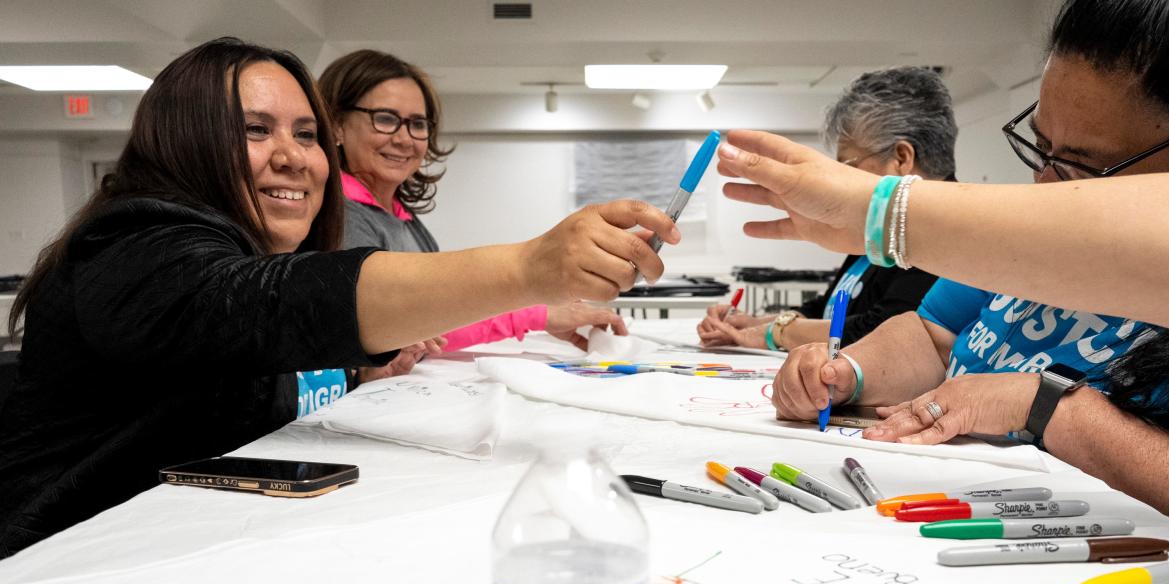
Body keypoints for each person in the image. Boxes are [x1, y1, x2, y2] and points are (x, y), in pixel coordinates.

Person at [0, 38, 676, 555]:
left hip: (169, 542)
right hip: (59, 566)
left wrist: (356, 368)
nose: (296, 157)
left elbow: (233, 367)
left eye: (305, 134)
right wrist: (531, 267)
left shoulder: (231, 247)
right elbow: (261, 305)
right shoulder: (132, 239)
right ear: (187, 142)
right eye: (255, 130)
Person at [721, 0, 1169, 545]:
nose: (1046, 186)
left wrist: (1048, 408)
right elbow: (930, 335)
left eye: (1084, 165)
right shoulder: (1024, 241)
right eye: (1039, 147)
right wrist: (849, 371)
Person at [320, 49, 626, 363]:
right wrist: (532, 315)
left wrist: (538, 315)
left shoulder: (402, 217)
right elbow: (400, 330)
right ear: (336, 126)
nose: (404, 138)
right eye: (385, 119)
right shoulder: (343, 218)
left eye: (418, 124)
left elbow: (437, 317)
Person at [697, 67, 953, 352]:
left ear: (901, 159)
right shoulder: (882, 227)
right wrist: (754, 324)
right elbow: (829, 309)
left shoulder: (939, 239)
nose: (840, 179)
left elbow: (880, 332)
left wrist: (776, 332)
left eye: (849, 167)